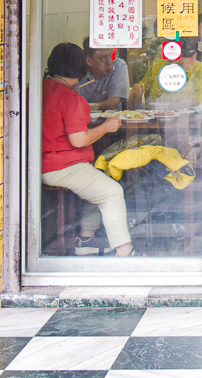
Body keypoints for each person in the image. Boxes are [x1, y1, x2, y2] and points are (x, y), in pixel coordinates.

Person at [40, 42, 134, 256]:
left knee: (99, 179)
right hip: (63, 167)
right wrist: (107, 127)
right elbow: (79, 140)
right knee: (112, 192)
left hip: (38, 164)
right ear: (82, 66)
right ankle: (125, 251)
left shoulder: (36, 90)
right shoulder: (71, 98)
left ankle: (86, 236)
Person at [128, 36, 202, 109]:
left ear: (194, 57)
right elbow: (139, 95)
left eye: (180, 63)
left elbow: (195, 101)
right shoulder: (159, 65)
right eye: (170, 61)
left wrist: (170, 107)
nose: (174, 65)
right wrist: (136, 92)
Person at [76, 39, 129, 111]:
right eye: (103, 58)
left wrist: (86, 107)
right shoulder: (79, 71)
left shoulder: (118, 65)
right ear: (89, 61)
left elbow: (113, 103)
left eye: (112, 55)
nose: (110, 62)